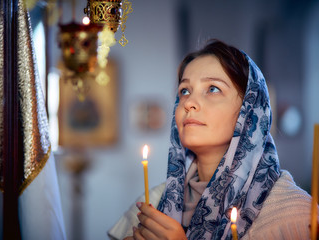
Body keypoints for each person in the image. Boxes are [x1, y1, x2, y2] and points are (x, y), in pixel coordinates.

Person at [108, 40, 317, 239]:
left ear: (249, 110)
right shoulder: (151, 204)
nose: (189, 102)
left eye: (213, 89)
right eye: (184, 91)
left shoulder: (296, 215)